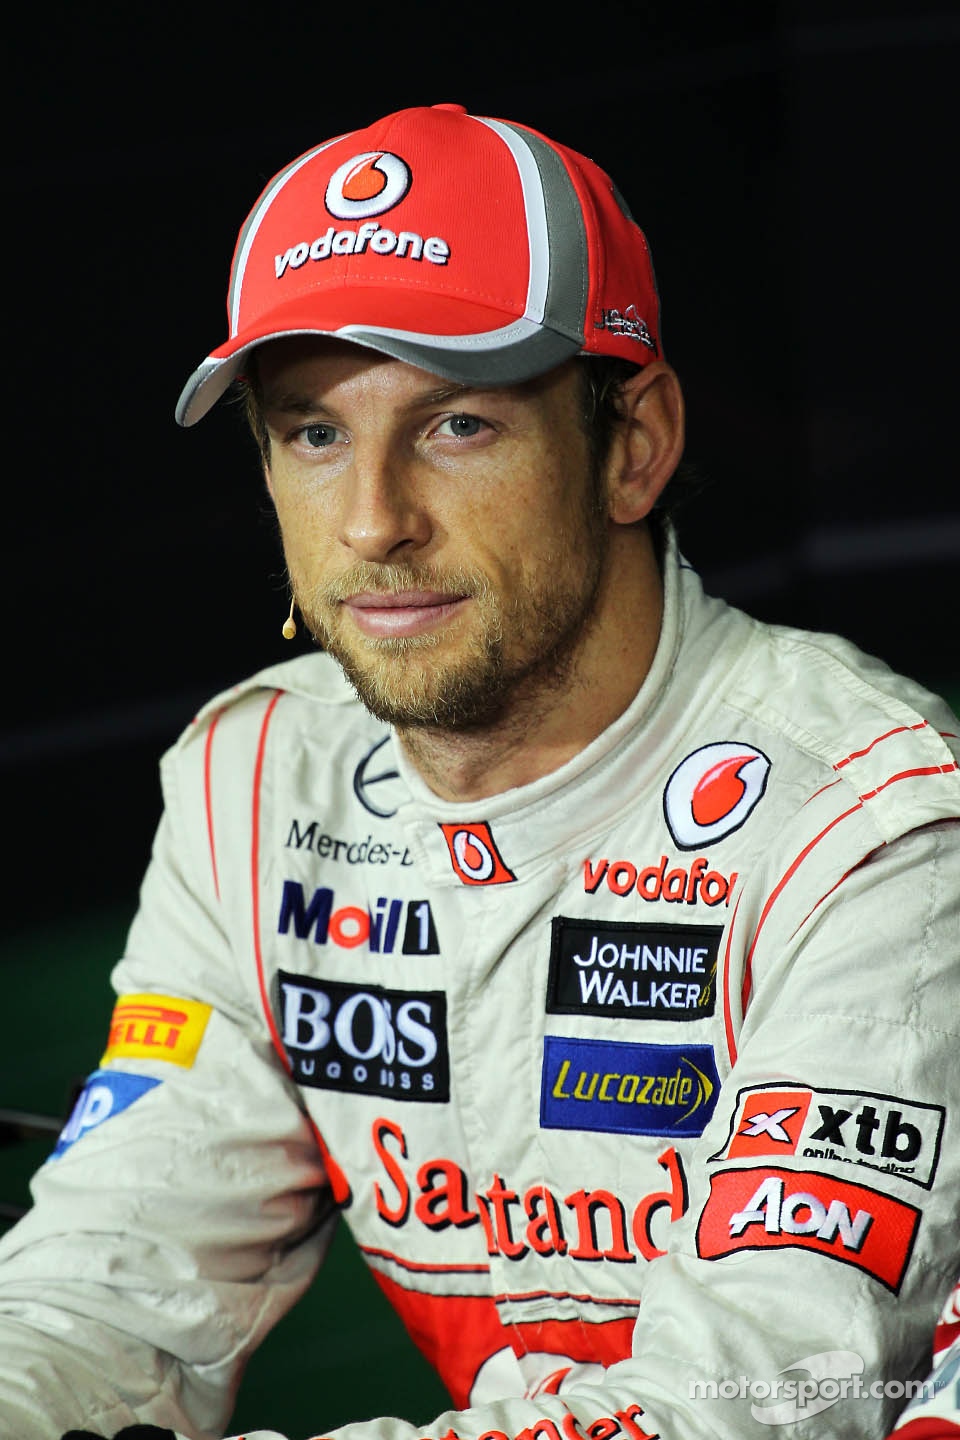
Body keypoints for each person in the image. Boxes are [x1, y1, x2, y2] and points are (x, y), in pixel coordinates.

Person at [0, 101, 957, 1440]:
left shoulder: (875, 828)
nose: (374, 520)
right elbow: (109, 1286)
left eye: (457, 425)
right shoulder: (256, 786)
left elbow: (748, 1409)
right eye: (312, 433)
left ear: (633, 444)